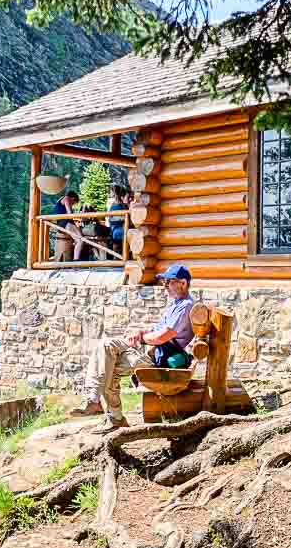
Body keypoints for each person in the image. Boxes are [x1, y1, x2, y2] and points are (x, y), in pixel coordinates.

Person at [72, 264, 195, 433]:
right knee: (106, 350)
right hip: (151, 349)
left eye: (169, 282)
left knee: (109, 362)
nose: (165, 286)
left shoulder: (186, 306)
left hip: (158, 355)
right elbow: (157, 331)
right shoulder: (176, 304)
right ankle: (98, 403)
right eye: (164, 282)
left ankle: (109, 413)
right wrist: (141, 332)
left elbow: (162, 337)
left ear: (183, 283)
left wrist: (141, 339)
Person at [50, 190, 81, 262]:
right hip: (65, 223)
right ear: (73, 198)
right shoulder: (67, 198)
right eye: (74, 203)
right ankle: (76, 261)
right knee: (80, 240)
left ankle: (75, 259)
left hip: (61, 223)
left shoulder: (61, 199)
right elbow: (70, 214)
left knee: (78, 240)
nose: (73, 205)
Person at [107, 184, 128, 258]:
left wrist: (118, 218)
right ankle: (116, 257)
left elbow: (125, 216)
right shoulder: (113, 203)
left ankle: (119, 257)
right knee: (116, 232)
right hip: (114, 227)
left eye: (111, 191)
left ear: (115, 192)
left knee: (118, 233)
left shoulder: (122, 204)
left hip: (120, 227)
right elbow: (110, 217)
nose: (109, 193)